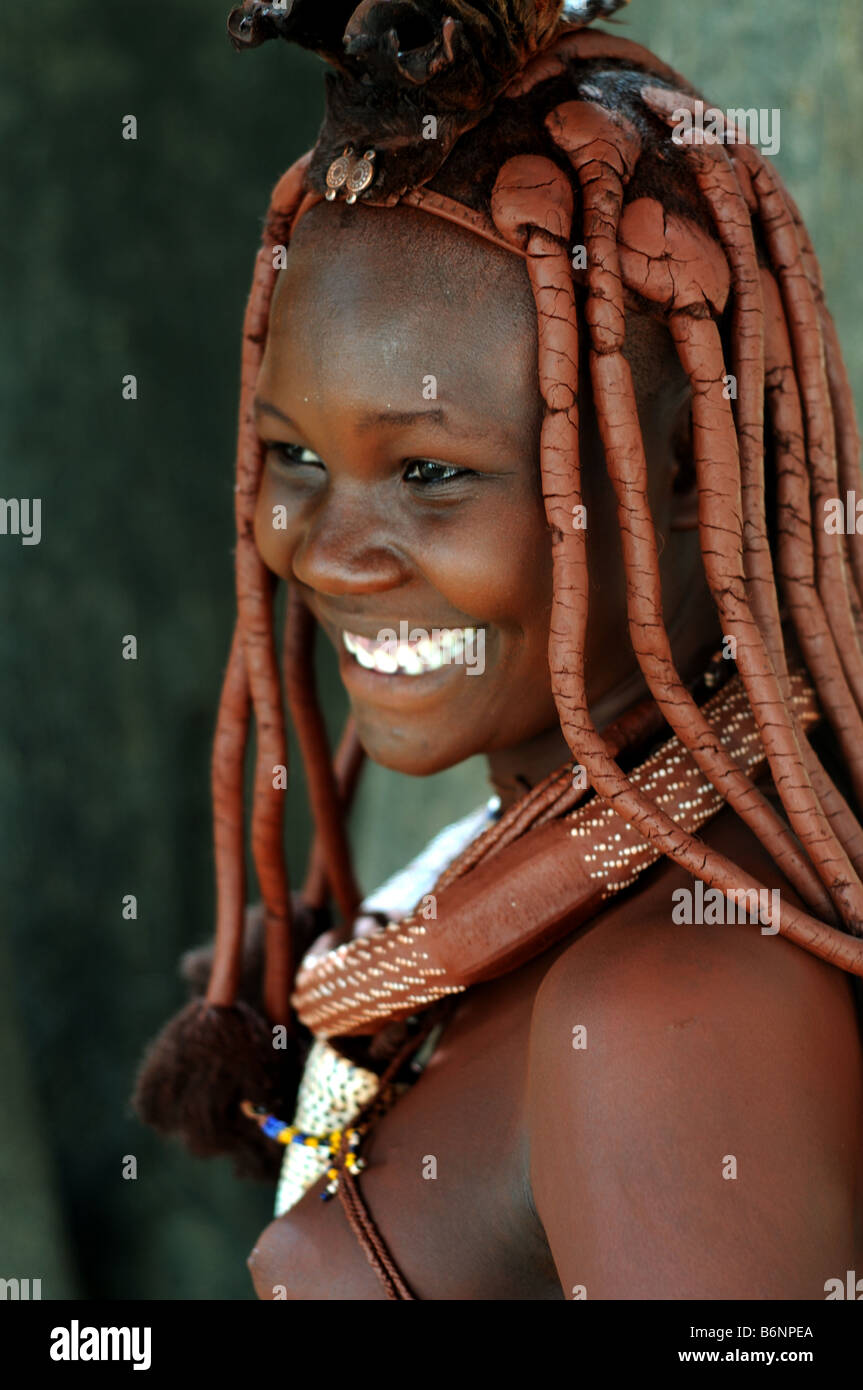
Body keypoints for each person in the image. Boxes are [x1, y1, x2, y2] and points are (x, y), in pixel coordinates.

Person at [134, 0, 863, 1300]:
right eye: (294, 454)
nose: (330, 549)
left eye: (428, 471)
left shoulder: (663, 1020)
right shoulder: (552, 864)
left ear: (690, 465)